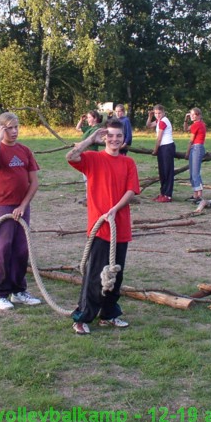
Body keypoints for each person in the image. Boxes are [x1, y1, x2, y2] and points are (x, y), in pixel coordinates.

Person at [67, 119, 140, 335]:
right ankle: (82, 317)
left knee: (115, 275)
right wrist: (90, 139)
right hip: (99, 229)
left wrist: (115, 209)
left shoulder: (128, 163)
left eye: (119, 135)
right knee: (94, 276)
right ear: (104, 137)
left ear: (124, 138)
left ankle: (108, 314)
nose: (115, 139)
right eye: (110, 135)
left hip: (121, 228)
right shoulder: (93, 159)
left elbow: (131, 191)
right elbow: (70, 156)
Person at [0, 112, 41, 310]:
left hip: (22, 207)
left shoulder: (25, 150)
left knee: (20, 250)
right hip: (2, 206)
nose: (14, 131)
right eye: (9, 128)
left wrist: (23, 205)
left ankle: (18, 290)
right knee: (2, 249)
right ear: (0, 129)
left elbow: (34, 182)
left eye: (16, 127)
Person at [146, 104, 174, 202]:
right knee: (162, 171)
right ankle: (163, 193)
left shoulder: (163, 121)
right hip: (162, 147)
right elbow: (148, 125)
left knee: (167, 171)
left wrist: (155, 149)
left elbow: (159, 138)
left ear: (163, 112)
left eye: (159, 113)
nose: (157, 115)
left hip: (167, 146)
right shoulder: (158, 121)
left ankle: (168, 195)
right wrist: (149, 117)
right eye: (156, 113)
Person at [183, 108, 207, 201]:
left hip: (197, 147)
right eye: (191, 114)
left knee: (195, 172)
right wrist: (186, 119)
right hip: (196, 147)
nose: (193, 116)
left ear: (199, 115)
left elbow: (191, 140)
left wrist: (187, 152)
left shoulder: (198, 125)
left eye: (195, 114)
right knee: (192, 172)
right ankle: (195, 194)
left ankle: (199, 194)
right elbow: (185, 129)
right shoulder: (196, 124)